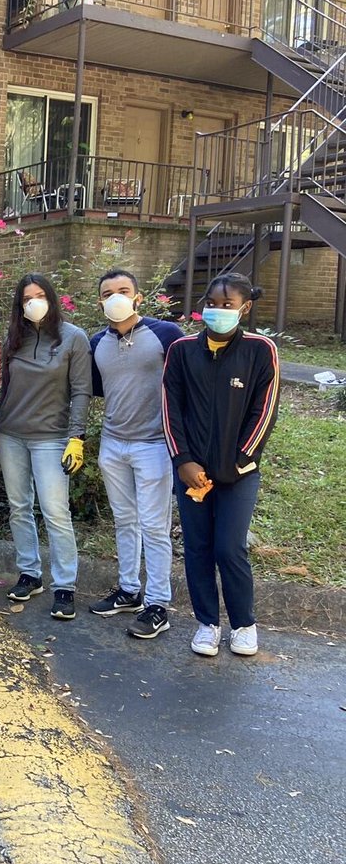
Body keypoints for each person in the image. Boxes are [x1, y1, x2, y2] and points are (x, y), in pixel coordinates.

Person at [163, 272, 279, 658]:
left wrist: (240, 460)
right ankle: (207, 623)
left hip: (238, 474)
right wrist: (183, 460)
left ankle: (244, 624)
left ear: (244, 309)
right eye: (211, 303)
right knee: (197, 547)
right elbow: (170, 409)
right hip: (191, 472)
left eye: (227, 305)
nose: (217, 311)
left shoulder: (260, 351)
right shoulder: (181, 351)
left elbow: (264, 412)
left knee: (229, 548)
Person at [88, 269, 183, 639]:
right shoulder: (98, 343)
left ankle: (158, 603)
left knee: (155, 526)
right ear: (100, 302)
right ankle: (129, 590)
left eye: (123, 290)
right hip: (113, 443)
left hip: (155, 444)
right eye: (108, 292)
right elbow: (98, 390)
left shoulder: (166, 335)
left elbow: (184, 386)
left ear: (138, 296)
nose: (116, 296)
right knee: (124, 520)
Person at [0, 273, 92, 621]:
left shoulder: (73, 338)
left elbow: (82, 390)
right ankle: (30, 573)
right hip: (11, 435)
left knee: (55, 512)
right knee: (19, 506)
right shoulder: (14, 339)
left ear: (51, 298)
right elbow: (5, 387)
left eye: (38, 295)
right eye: (25, 298)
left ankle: (64, 585)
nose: (32, 302)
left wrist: (76, 438)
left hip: (52, 437)